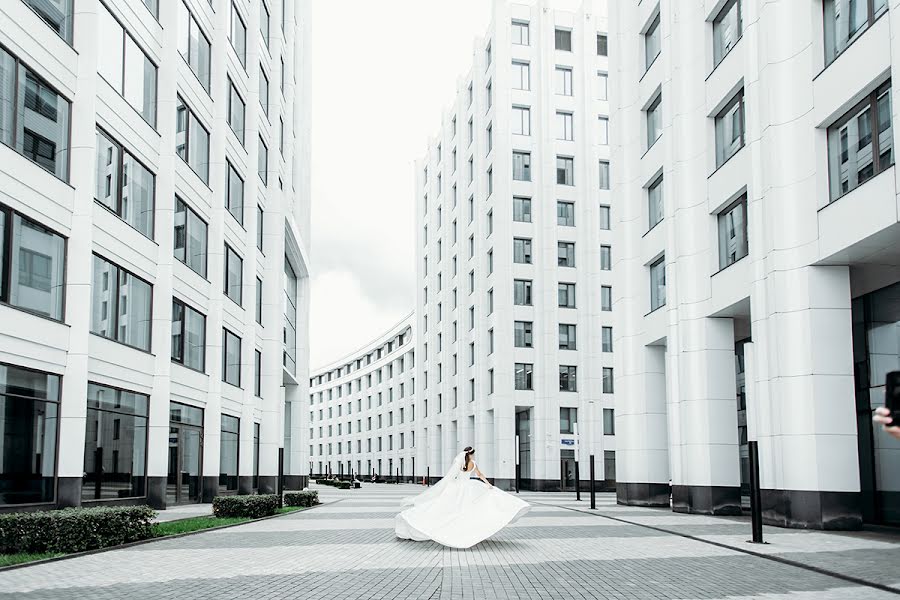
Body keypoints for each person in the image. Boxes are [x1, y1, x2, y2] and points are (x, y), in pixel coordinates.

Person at [395, 446, 530, 549]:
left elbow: (451, 477)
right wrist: (489, 484)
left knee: (445, 509)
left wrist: (447, 486)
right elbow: (480, 475)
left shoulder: (460, 463)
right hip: (469, 487)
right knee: (466, 510)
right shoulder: (474, 464)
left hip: (456, 488)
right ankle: (462, 530)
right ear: (471, 454)